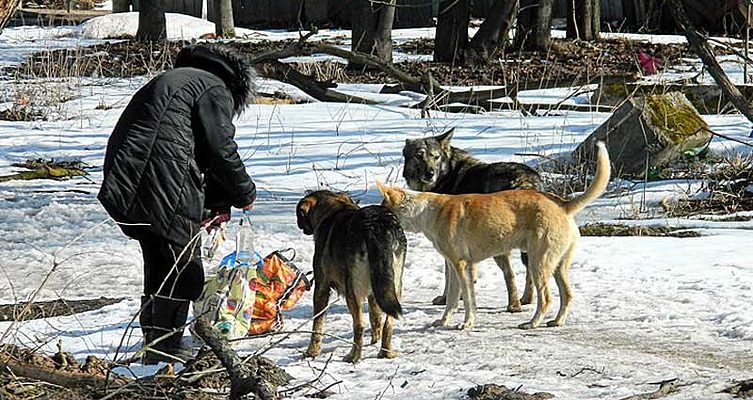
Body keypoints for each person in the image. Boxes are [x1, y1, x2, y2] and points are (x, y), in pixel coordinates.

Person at [98, 43, 257, 364]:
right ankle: (167, 349)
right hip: (159, 173)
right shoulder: (214, 87)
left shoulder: (178, 79)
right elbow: (219, 148)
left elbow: (189, 146)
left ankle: (155, 346)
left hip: (128, 175)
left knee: (159, 261)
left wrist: (214, 205)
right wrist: (244, 193)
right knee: (184, 266)